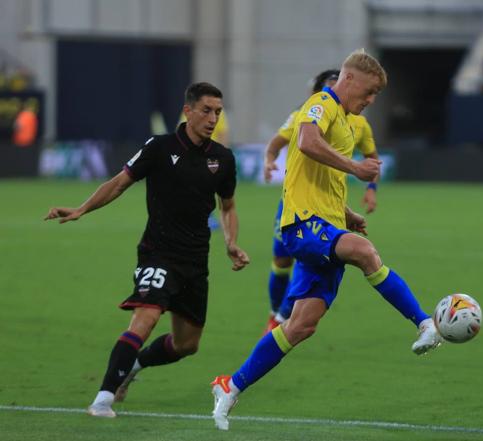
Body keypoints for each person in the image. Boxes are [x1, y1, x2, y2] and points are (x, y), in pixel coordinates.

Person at [208, 49, 442, 431]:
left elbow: (319, 178)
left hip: (325, 223)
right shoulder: (322, 102)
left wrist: (346, 213)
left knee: (301, 325)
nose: (369, 102)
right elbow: (305, 142)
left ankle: (230, 385)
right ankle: (424, 322)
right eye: (367, 93)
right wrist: (355, 167)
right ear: (347, 80)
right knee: (364, 252)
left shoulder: (348, 121)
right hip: (300, 225)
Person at [44, 82, 250, 418]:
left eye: (218, 112)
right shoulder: (159, 146)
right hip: (158, 253)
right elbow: (120, 182)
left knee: (187, 345)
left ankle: (135, 364)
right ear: (188, 111)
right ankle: (103, 398)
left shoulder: (222, 159)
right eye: (206, 110)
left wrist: (231, 243)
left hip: (196, 261)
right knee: (147, 317)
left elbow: (227, 206)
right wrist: (82, 208)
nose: (213, 118)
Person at [262, 69, 380, 333]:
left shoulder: (358, 123)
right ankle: (275, 315)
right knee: (282, 260)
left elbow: (373, 157)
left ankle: (282, 320)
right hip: (294, 203)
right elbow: (275, 143)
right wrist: (269, 160)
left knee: (310, 260)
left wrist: (371, 188)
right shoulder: (304, 115)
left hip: (328, 206)